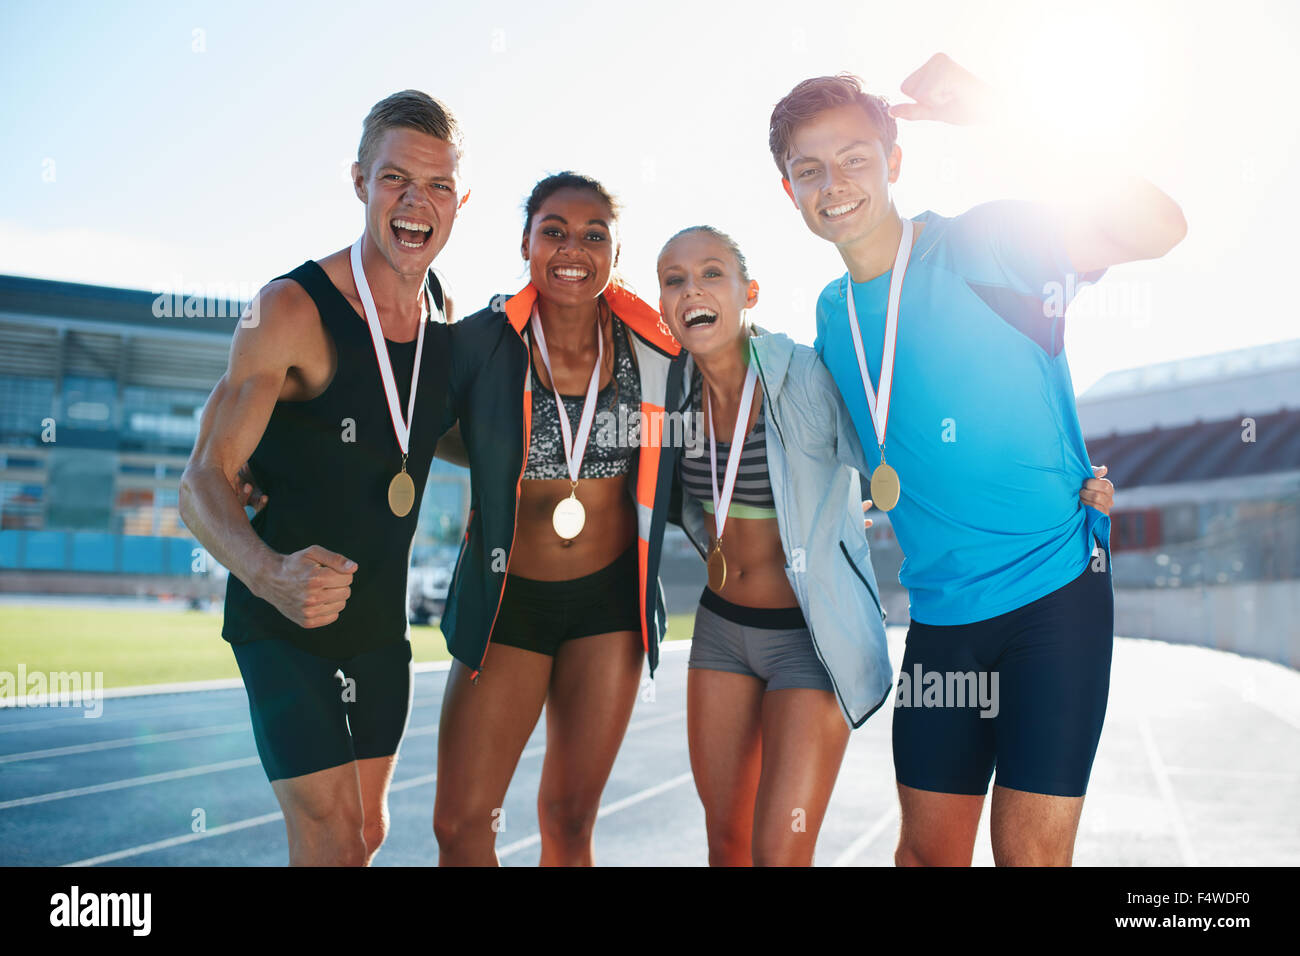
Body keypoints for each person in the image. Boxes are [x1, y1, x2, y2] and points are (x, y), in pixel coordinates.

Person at [768, 54, 1182, 866]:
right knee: (925, 858)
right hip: (942, 619)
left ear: (893, 162)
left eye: (855, 158)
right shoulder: (830, 314)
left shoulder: (988, 242)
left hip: (1052, 596)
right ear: (789, 190)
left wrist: (1006, 112)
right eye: (807, 169)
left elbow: (1159, 228)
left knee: (1027, 859)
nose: (833, 183)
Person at [179, 90, 467, 866]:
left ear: (458, 200)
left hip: (378, 624)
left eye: (437, 185)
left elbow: (433, 438)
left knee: (366, 835)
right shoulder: (288, 309)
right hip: (284, 621)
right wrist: (269, 573)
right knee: (331, 837)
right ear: (358, 182)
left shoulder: (446, 319)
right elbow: (202, 480)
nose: (416, 201)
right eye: (394, 179)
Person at [434, 172, 682, 866]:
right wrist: (266, 467)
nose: (574, 247)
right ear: (526, 242)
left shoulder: (654, 346)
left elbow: (729, 403)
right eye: (555, 231)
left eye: (594, 235)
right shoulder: (482, 342)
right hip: (508, 601)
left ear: (615, 250)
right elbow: (396, 415)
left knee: (570, 821)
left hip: (609, 606)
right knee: (461, 826)